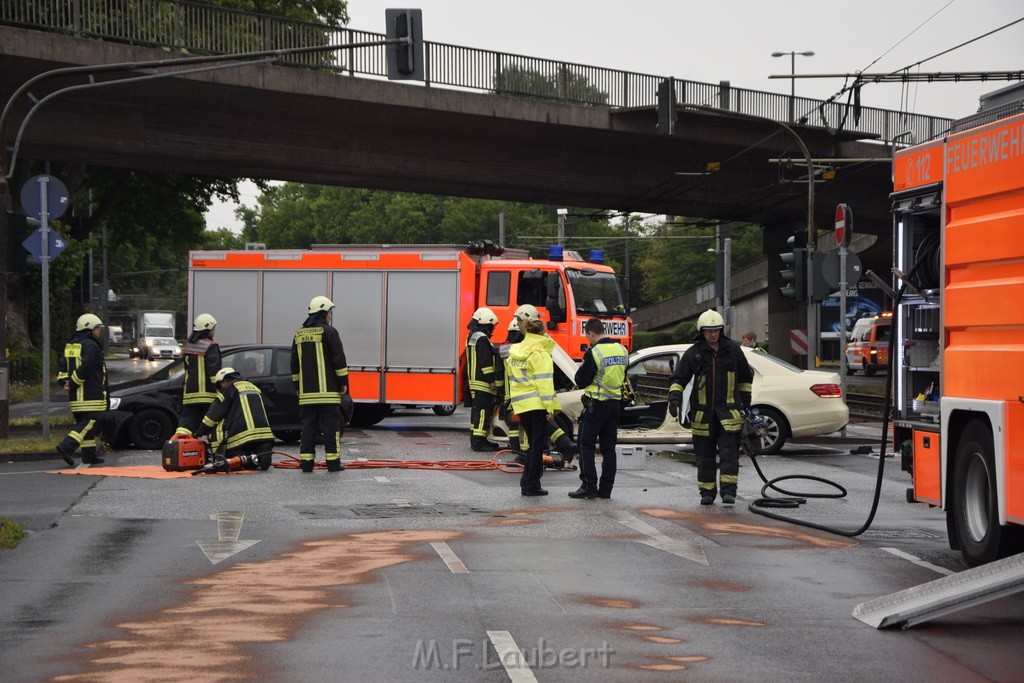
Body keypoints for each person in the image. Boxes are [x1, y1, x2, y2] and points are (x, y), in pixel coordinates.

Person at [667, 309, 753, 506]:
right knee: (704, 456)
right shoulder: (694, 354)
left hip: (729, 414)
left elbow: (745, 378)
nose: (713, 334)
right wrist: (674, 399)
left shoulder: (733, 349)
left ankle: (729, 492)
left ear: (721, 331)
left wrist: (746, 405)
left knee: (729, 455)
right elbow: (678, 379)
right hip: (702, 415)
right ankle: (707, 493)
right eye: (709, 331)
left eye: (716, 330)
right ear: (702, 332)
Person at [570, 317, 628, 499]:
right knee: (609, 448)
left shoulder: (595, 352)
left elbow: (581, 380)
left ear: (591, 333)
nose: (588, 339)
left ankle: (588, 486)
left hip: (596, 405)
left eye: (587, 336)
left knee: (585, 445)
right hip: (614, 405)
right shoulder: (622, 350)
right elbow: (623, 374)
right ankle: (606, 489)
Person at [292, 296, 349, 473]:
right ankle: (333, 464)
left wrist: (297, 387)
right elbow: (338, 360)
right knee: (331, 429)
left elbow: (294, 364)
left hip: (306, 394)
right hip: (328, 393)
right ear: (323, 313)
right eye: (329, 313)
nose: (330, 317)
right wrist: (343, 384)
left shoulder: (299, 334)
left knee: (308, 429)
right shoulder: (330, 332)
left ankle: (307, 464)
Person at [506, 316, 558, 496]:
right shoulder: (540, 354)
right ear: (543, 332)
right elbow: (544, 383)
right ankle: (531, 485)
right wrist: (550, 408)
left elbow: (512, 380)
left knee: (533, 446)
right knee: (537, 447)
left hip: (521, 404)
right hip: (537, 404)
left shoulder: (515, 351)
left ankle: (527, 483)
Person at [55, 313, 110, 467]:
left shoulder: (71, 345)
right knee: (91, 421)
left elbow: (62, 366)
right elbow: (86, 368)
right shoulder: (91, 345)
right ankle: (67, 446)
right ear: (88, 328)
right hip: (89, 394)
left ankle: (89, 455)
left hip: (76, 397)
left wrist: (64, 382)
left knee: (85, 425)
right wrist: (73, 383)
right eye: (97, 329)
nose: (99, 332)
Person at [194, 367, 275, 470]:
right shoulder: (253, 386)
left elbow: (214, 414)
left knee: (233, 456)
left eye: (220, 384)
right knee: (254, 448)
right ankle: (262, 451)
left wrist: (199, 432)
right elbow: (269, 406)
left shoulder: (228, 388)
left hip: (242, 434)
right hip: (263, 434)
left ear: (225, 380)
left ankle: (252, 461)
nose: (220, 388)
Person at [176, 313, 222, 436]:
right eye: (213, 328)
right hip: (208, 395)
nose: (214, 331)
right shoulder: (211, 346)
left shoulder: (189, 346)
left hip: (190, 394)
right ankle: (216, 452)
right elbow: (214, 373)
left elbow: (187, 370)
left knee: (186, 424)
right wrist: (220, 389)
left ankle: (178, 445)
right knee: (214, 425)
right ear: (207, 329)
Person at [466, 307, 501, 451]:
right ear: (487, 323)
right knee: (482, 412)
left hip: (475, 381)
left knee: (477, 412)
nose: (492, 329)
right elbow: (485, 361)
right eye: (491, 326)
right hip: (482, 382)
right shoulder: (481, 338)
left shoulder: (473, 336)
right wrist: (492, 380)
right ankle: (479, 443)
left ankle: (478, 440)